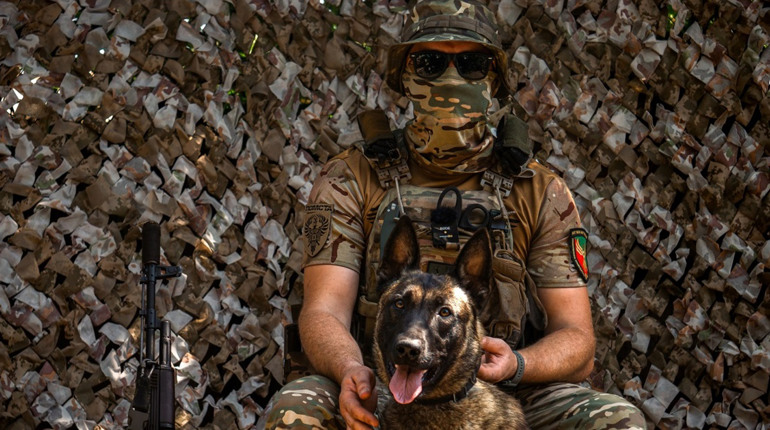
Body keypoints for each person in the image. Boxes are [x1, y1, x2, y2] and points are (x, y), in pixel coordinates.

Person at [259, 0, 647, 429]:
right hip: (376, 380)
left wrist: (516, 364)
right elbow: (323, 312)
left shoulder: (540, 190)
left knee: (615, 421)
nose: (451, 78)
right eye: (429, 62)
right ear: (403, 77)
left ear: (495, 79)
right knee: (298, 410)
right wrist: (352, 370)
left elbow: (577, 341)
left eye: (472, 64)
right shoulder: (351, 178)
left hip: (506, 391)